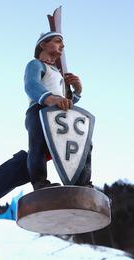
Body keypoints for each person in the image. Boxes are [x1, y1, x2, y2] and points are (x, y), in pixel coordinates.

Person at [24, 31, 88, 190]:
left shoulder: (58, 74)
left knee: (80, 144)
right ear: (43, 45)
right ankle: (39, 182)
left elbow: (65, 101)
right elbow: (31, 85)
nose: (62, 46)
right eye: (57, 41)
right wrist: (49, 98)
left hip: (59, 114)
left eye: (62, 44)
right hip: (39, 109)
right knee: (38, 144)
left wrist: (77, 91)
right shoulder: (36, 64)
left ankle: (83, 183)